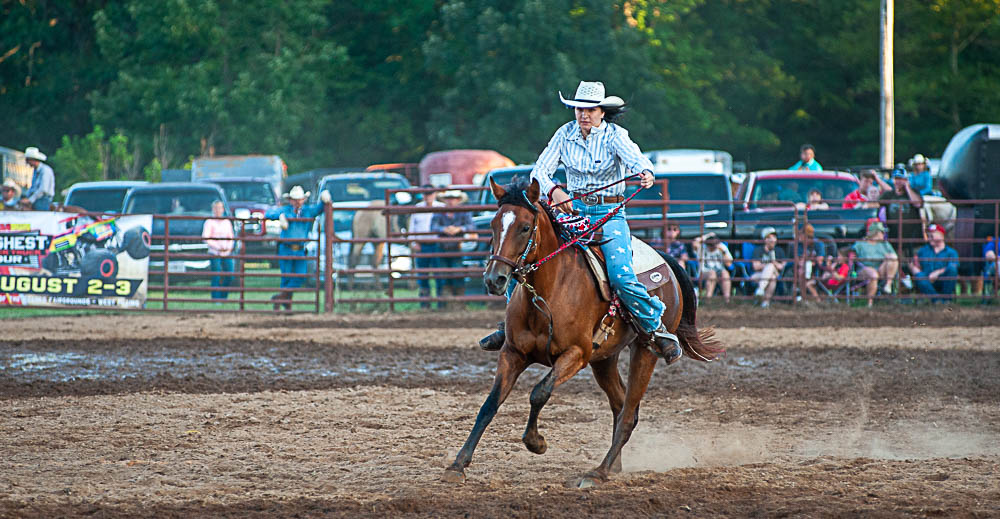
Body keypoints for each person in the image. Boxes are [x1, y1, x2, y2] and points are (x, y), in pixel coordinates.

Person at [479, 80, 681, 363]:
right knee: (522, 262)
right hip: (572, 214)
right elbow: (540, 171)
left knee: (621, 275)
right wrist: (554, 190)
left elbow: (637, 160)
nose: (583, 114)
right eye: (578, 109)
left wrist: (644, 172)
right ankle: (510, 325)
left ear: (602, 111)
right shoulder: (565, 135)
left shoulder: (615, 136)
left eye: (589, 109)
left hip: (609, 215)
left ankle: (655, 326)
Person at [265, 185, 331, 310]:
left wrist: (324, 199)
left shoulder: (307, 211)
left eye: (299, 199)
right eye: (295, 199)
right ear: (290, 200)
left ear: (303, 200)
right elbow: (269, 213)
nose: (297, 202)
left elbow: (319, 209)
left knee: (301, 275)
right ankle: (286, 303)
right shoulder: (285, 210)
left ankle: (280, 298)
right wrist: (280, 217)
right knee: (286, 277)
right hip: (286, 248)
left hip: (299, 249)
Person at [430, 189, 474, 308]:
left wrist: (459, 229)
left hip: (457, 248)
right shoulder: (439, 211)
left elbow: (471, 226)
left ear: (458, 200)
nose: (451, 201)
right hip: (442, 248)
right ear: (445, 200)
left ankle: (459, 304)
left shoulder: (464, 212)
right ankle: (447, 305)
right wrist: (443, 229)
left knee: (457, 275)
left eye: (453, 198)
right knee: (443, 277)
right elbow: (433, 226)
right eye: (449, 198)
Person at [409, 186, 445, 308]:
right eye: (426, 194)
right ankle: (425, 304)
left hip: (437, 245)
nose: (428, 196)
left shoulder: (441, 208)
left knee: (439, 275)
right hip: (422, 245)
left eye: (430, 194)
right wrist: (414, 242)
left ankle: (441, 303)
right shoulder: (418, 208)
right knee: (423, 276)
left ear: (434, 194)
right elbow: (412, 228)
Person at [878, 167, 924, 257]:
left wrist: (907, 187)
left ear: (906, 180)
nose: (898, 182)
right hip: (894, 238)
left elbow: (918, 204)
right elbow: (877, 205)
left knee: (913, 264)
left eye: (901, 179)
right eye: (896, 179)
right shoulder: (888, 195)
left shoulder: (914, 192)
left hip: (913, 239)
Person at [852, 221, 898, 307]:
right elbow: (851, 255)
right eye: (882, 232)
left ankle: (888, 285)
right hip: (864, 269)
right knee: (873, 274)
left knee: (893, 257)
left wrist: (887, 257)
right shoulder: (861, 244)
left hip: (882, 269)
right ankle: (869, 303)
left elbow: (894, 256)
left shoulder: (885, 244)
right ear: (876, 233)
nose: (884, 234)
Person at [909, 224, 958, 303]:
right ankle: (936, 300)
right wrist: (914, 268)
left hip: (943, 281)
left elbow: (953, 266)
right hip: (927, 280)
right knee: (919, 275)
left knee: (952, 271)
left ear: (941, 236)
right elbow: (913, 263)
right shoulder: (923, 250)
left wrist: (937, 272)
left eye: (932, 236)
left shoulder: (951, 252)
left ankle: (946, 300)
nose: (929, 238)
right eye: (928, 236)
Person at [202, 200, 235, 301]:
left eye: (220, 208)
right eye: (216, 208)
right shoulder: (209, 222)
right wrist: (217, 247)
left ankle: (223, 296)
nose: (218, 210)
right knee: (216, 275)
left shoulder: (227, 222)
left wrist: (228, 248)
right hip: (214, 252)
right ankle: (216, 298)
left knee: (230, 274)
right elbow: (206, 237)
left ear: (223, 209)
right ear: (213, 209)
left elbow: (231, 237)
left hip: (227, 252)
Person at [751, 227, 788, 308]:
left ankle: (760, 290)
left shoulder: (779, 251)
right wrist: (767, 265)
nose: (772, 240)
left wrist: (773, 262)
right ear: (765, 239)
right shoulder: (758, 250)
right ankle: (765, 302)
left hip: (775, 273)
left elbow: (782, 267)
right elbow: (755, 267)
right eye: (769, 238)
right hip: (759, 275)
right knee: (772, 277)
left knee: (772, 270)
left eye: (774, 237)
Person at [691, 232, 732, 303]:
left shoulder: (722, 247)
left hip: (719, 272)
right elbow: (694, 242)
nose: (712, 247)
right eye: (710, 245)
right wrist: (708, 235)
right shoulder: (702, 247)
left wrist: (723, 252)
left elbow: (729, 264)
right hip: (704, 273)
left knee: (725, 273)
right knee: (712, 274)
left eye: (714, 245)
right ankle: (708, 300)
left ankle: (727, 300)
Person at [790, 223, 825, 301]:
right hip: (802, 271)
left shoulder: (818, 244)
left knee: (806, 267)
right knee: (803, 267)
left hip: (817, 271)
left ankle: (801, 294)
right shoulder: (799, 245)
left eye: (800, 234)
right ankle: (805, 297)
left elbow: (820, 261)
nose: (799, 237)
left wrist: (810, 261)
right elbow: (799, 260)